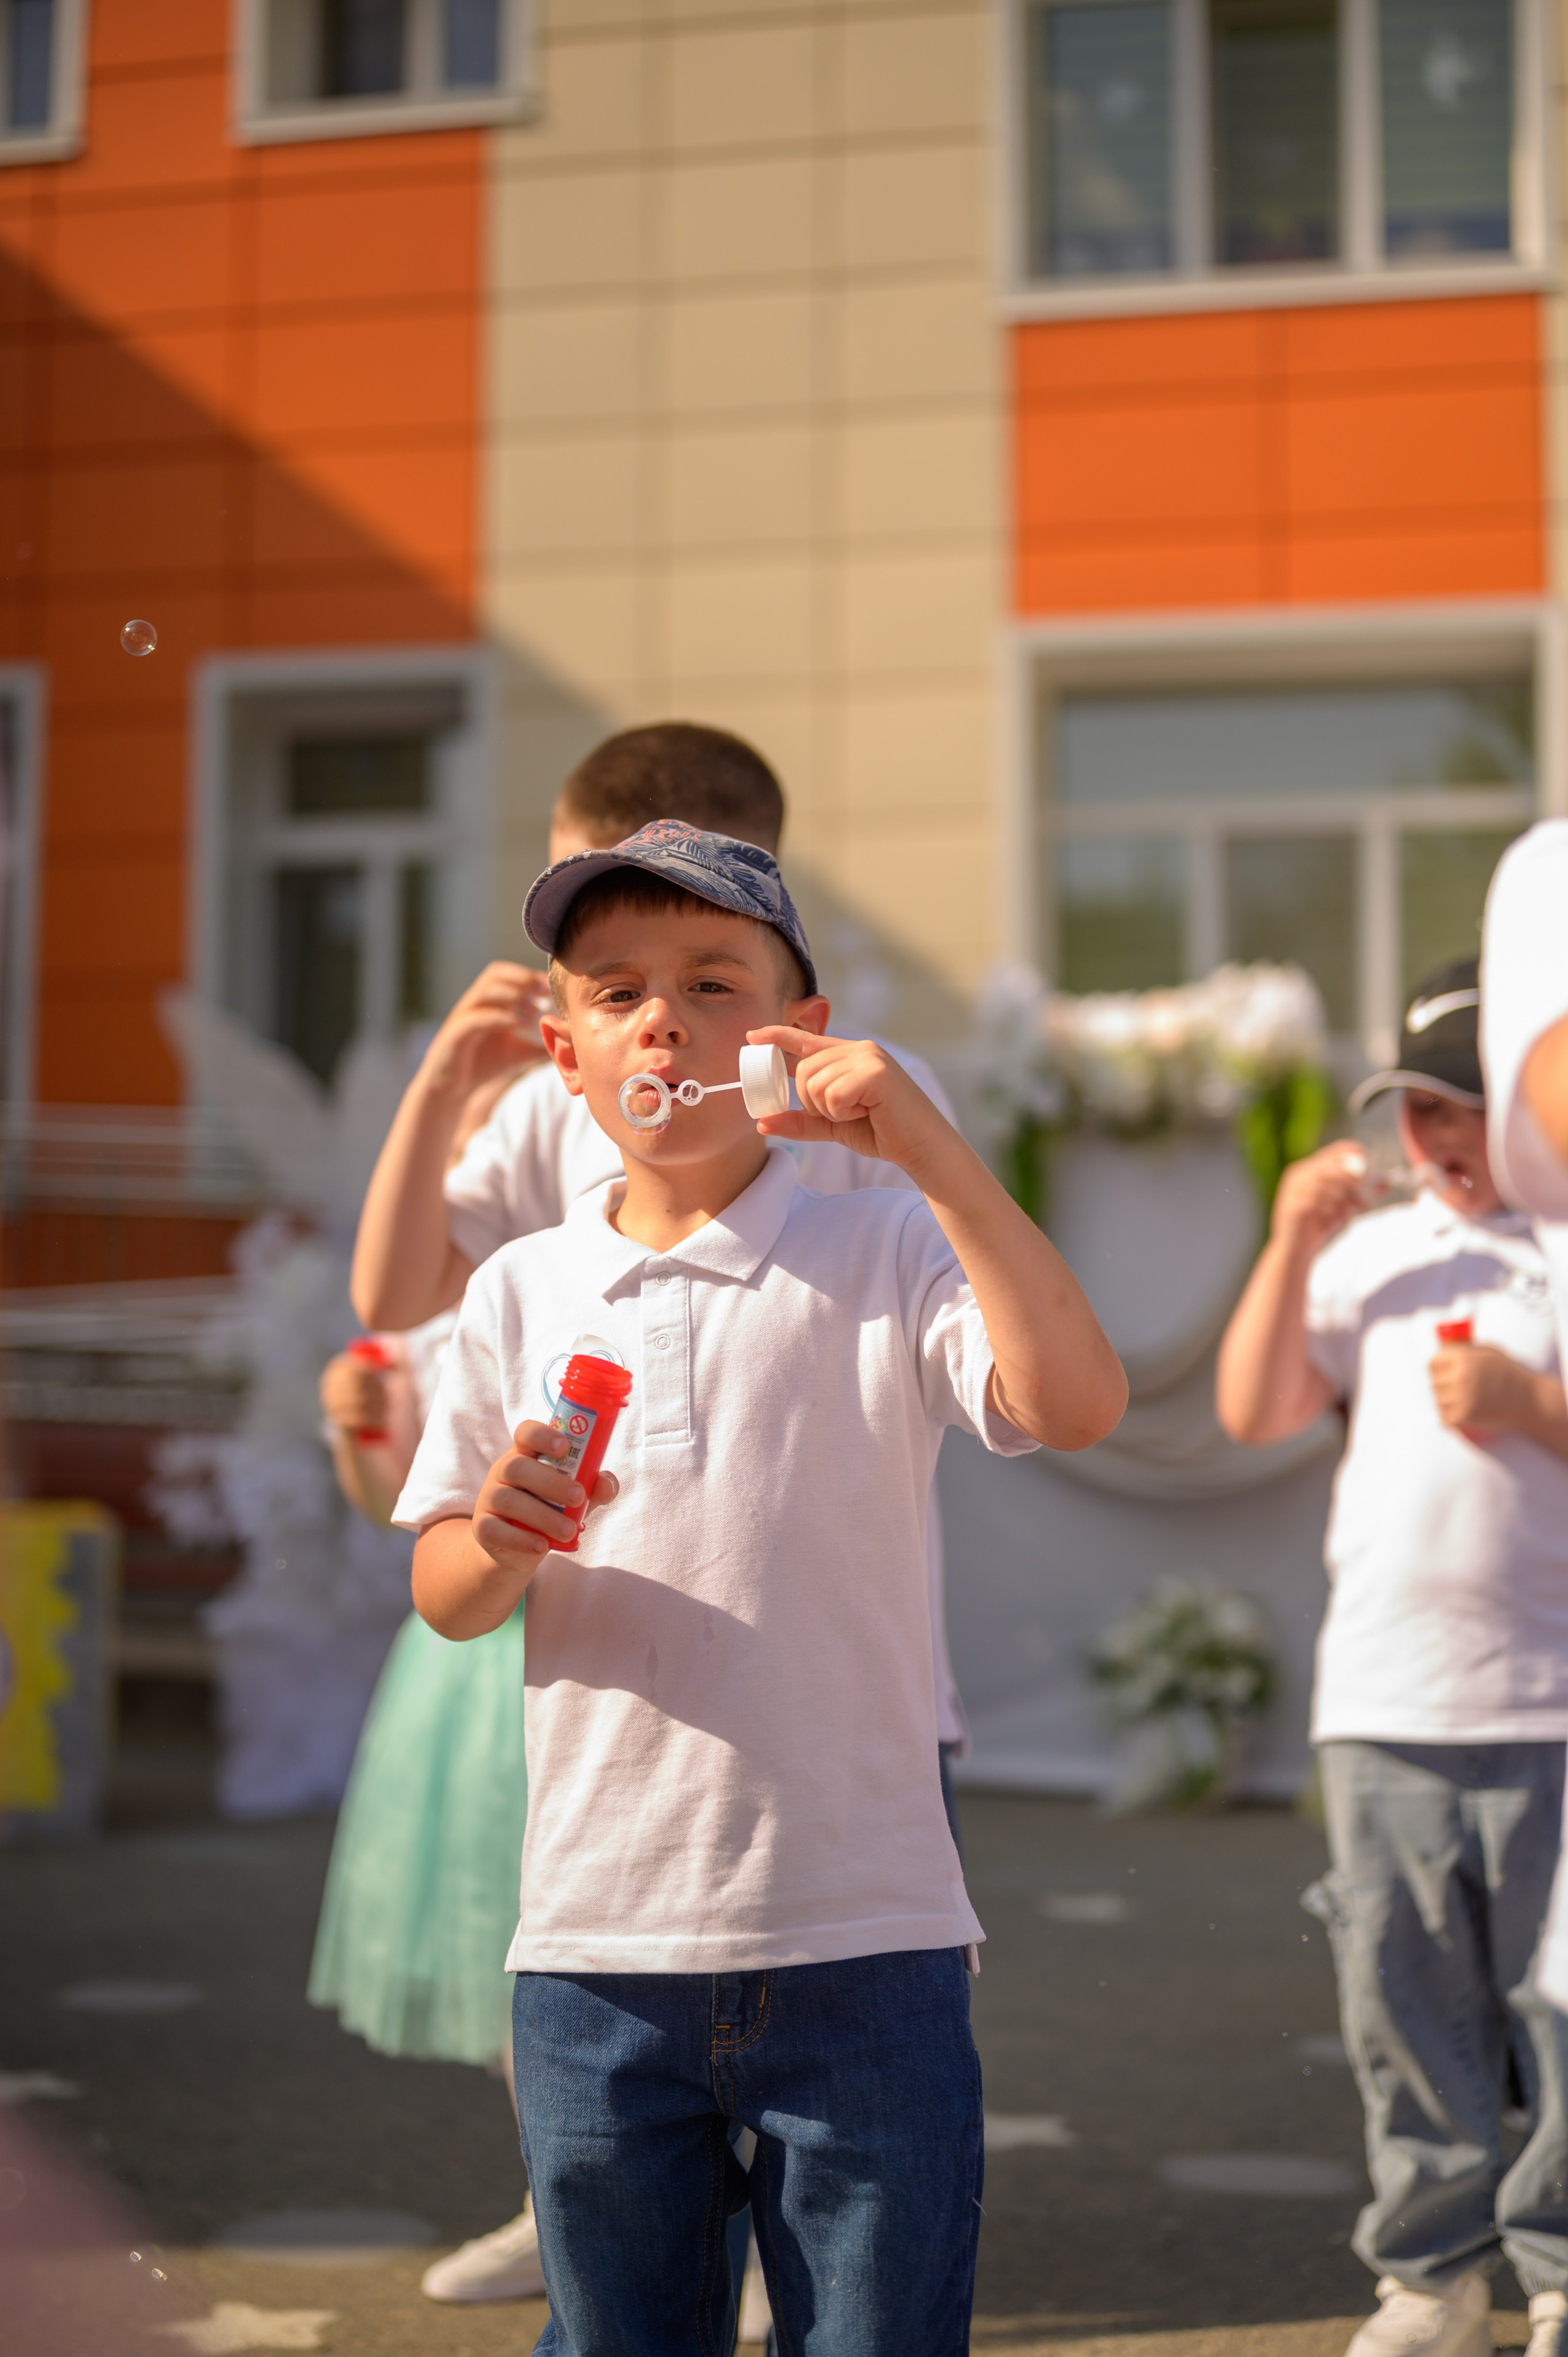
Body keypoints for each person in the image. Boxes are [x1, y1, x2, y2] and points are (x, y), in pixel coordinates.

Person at [394, 821, 1126, 2356]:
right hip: (596, 1953)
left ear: (796, 1036)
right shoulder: (516, 1288)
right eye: (614, 991)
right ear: (563, 1056)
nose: (661, 1017)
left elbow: (1072, 1401)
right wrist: (500, 1534)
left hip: (865, 1936)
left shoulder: (883, 1244)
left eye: (713, 981)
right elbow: (446, 1593)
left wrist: (931, 1151)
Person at [1216, 960, 1568, 2357]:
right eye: (1419, 1109)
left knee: (1552, 2004)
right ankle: (1429, 2275)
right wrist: (1287, 1242)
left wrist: (1528, 1400)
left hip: (1549, 1699)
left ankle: (1553, 2268)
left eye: (1470, 1108)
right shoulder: (1370, 1253)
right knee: (1401, 1999)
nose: (1440, 1139)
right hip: (1383, 1695)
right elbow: (1253, 1409)